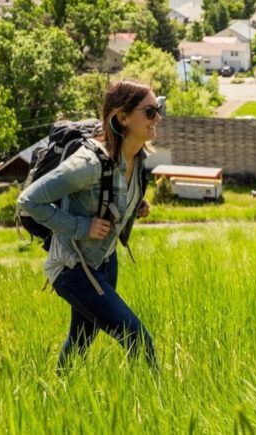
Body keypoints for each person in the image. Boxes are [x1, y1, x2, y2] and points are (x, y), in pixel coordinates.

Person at [17, 79, 163, 371]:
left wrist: (135, 207)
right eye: (149, 111)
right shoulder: (89, 163)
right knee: (139, 341)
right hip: (74, 270)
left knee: (80, 340)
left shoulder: (138, 157)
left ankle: (57, 396)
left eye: (159, 108)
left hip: (105, 262)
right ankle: (156, 407)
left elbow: (111, 200)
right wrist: (81, 227)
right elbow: (28, 201)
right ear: (122, 118)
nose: (157, 117)